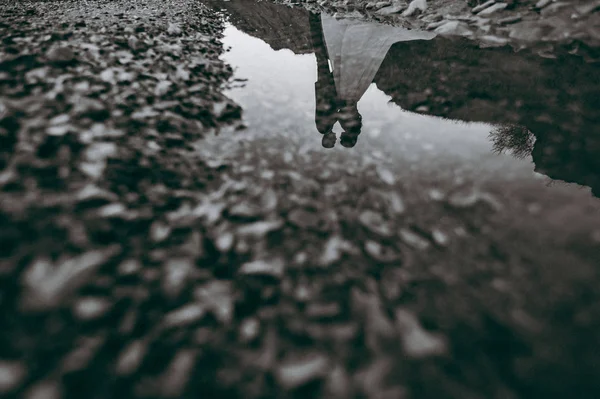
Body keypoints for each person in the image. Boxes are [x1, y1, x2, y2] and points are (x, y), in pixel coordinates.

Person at [309, 12, 436, 148]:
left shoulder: (326, 124)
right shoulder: (335, 121)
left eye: (332, 141)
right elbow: (332, 98)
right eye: (339, 139)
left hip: (343, 87)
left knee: (355, 62)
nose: (335, 139)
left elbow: (326, 95)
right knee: (352, 64)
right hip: (342, 86)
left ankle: (354, 38)